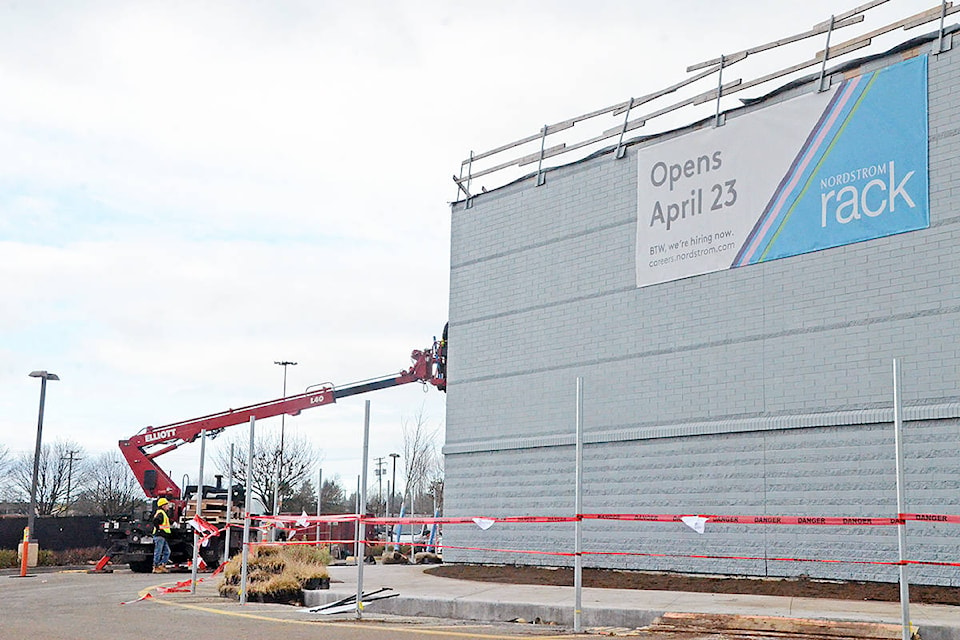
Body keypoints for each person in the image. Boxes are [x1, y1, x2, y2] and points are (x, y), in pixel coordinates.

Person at [152, 497, 173, 573]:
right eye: (167, 505)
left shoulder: (163, 513)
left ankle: (161, 565)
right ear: (163, 506)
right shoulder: (160, 513)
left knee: (167, 551)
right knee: (158, 551)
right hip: (159, 536)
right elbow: (155, 521)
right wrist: (159, 529)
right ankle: (156, 566)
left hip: (162, 536)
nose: (168, 506)